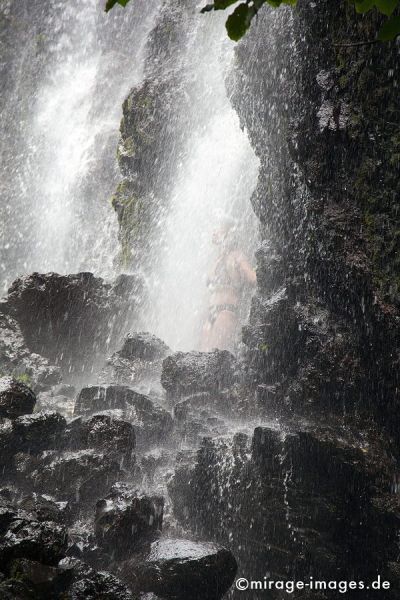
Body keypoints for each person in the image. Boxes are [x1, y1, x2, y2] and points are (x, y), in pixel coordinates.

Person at [200, 218, 256, 352]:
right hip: (212, 313)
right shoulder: (217, 259)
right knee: (203, 356)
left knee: (215, 357)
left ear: (229, 233)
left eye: (218, 228)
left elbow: (254, 279)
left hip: (226, 312)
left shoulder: (237, 256)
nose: (214, 232)